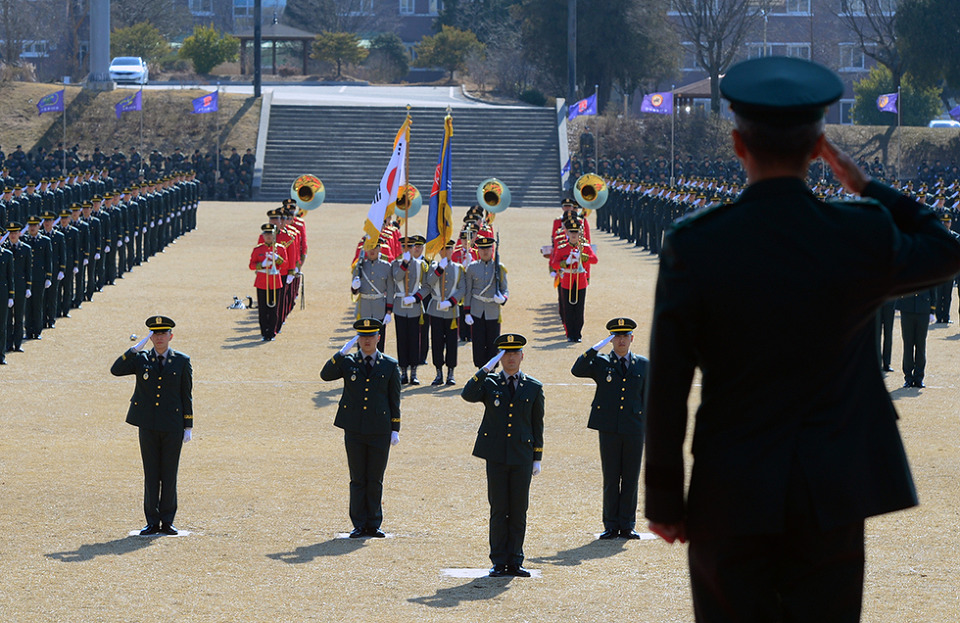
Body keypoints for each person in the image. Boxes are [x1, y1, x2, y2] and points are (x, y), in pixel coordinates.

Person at [643, 56, 960, 623]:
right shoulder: (858, 232)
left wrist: (665, 497)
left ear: (738, 144)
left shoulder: (696, 244)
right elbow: (945, 246)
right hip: (831, 490)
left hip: (730, 486)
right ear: (818, 148)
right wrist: (866, 186)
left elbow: (668, 382)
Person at [461, 333, 544, 578]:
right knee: (499, 509)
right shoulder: (490, 383)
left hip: (521, 455)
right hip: (496, 455)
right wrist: (486, 367)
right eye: (505, 353)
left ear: (522, 356)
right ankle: (498, 561)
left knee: (518, 510)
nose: (510, 358)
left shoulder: (533, 386)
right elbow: (468, 393)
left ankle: (515, 560)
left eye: (514, 353)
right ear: (501, 357)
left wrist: (537, 457)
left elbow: (536, 425)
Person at [110, 316, 193, 536]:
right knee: (151, 474)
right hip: (147, 424)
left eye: (163, 334)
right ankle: (151, 521)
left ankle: (167, 521)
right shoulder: (141, 359)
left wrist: (188, 426)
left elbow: (186, 395)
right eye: (155, 334)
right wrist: (135, 349)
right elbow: (116, 370)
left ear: (170, 336)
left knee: (169, 474)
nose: (159, 338)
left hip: (173, 426)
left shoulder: (182, 361)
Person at [320, 317, 401, 538]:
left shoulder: (390, 365)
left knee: (375, 478)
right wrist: (340, 354)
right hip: (354, 428)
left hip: (380, 429)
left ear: (378, 338)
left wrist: (396, 428)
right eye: (363, 337)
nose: (367, 340)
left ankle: (373, 523)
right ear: (358, 339)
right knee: (357, 478)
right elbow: (325, 375)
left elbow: (394, 399)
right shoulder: (348, 362)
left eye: (371, 336)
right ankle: (358, 523)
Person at [571, 317, 647, 539]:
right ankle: (611, 525)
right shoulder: (601, 362)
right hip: (609, 427)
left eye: (625, 336)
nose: (621, 340)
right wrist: (595, 349)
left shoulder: (643, 364)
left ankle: (628, 524)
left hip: (634, 427)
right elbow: (577, 369)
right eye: (617, 337)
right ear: (611, 340)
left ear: (631, 338)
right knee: (611, 476)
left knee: (631, 477)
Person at [420, 239, 465, 386]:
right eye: (443, 250)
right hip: (436, 308)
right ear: (439, 251)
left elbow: (462, 288)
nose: (446, 252)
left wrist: (452, 301)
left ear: (452, 251)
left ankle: (450, 372)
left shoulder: (458, 268)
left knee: (452, 342)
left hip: (451, 310)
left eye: (449, 249)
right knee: (437, 341)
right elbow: (429, 283)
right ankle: (438, 372)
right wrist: (440, 269)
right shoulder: (433, 266)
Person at [463, 236, 508, 369]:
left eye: (487, 248)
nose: (485, 251)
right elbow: (468, 291)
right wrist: (466, 312)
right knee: (478, 341)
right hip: (476, 310)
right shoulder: (472, 268)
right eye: (482, 249)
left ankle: (492, 369)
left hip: (492, 309)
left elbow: (505, 289)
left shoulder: (499, 267)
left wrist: (503, 298)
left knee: (493, 341)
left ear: (492, 249)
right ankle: (480, 369)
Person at [895, 289, 935, 388]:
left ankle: (919, 378)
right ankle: (908, 377)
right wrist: (898, 304)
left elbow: (933, 290)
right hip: (907, 308)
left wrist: (932, 310)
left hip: (923, 309)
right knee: (908, 345)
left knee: (920, 345)